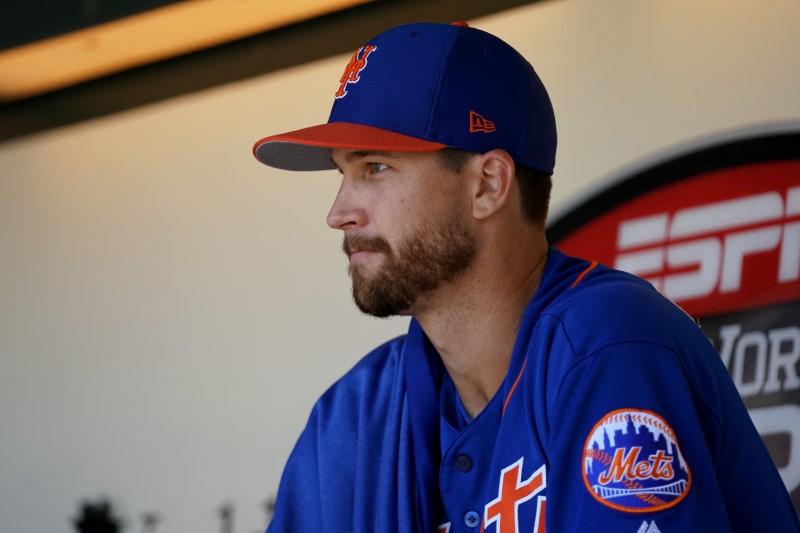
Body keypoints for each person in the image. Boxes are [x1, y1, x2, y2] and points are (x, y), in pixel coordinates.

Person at [252, 21, 798, 532]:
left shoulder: (608, 343)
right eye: (342, 173)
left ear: (489, 184)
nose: (339, 211)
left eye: (375, 168)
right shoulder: (351, 421)